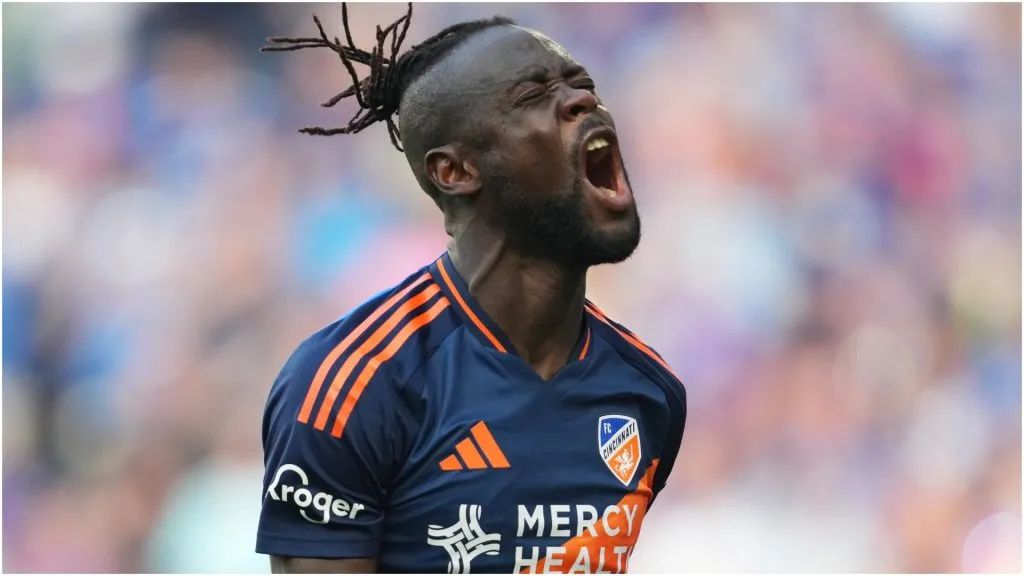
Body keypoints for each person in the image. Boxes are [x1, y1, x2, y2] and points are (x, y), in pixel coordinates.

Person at [256, 4, 687, 573]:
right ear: (455, 172)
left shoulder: (648, 393)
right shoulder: (353, 387)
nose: (583, 101)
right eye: (533, 96)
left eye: (583, 84)